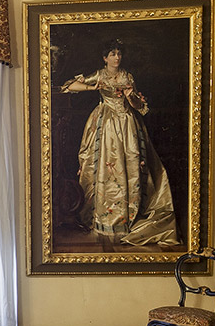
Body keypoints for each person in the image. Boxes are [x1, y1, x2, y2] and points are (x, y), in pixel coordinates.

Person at [58, 40, 179, 247]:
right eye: (112, 54)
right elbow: (69, 86)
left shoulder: (127, 76)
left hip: (127, 124)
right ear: (105, 58)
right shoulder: (99, 74)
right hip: (106, 124)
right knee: (105, 167)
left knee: (130, 165)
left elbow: (139, 107)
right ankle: (104, 218)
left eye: (119, 54)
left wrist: (131, 97)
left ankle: (127, 217)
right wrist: (92, 87)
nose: (117, 57)